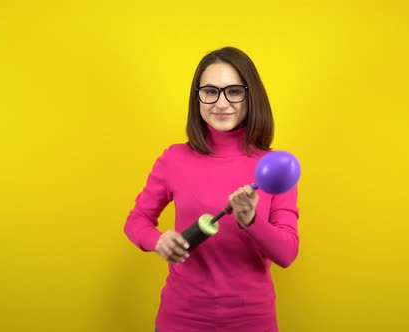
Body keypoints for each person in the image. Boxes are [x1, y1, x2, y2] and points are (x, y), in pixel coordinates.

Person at [124, 46, 300, 332]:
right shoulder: (173, 159)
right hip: (180, 319)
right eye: (210, 91)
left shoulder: (273, 168)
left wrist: (251, 221)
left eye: (233, 91)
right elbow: (136, 220)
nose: (221, 103)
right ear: (198, 98)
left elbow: (287, 254)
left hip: (252, 322)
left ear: (250, 95)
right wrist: (157, 241)